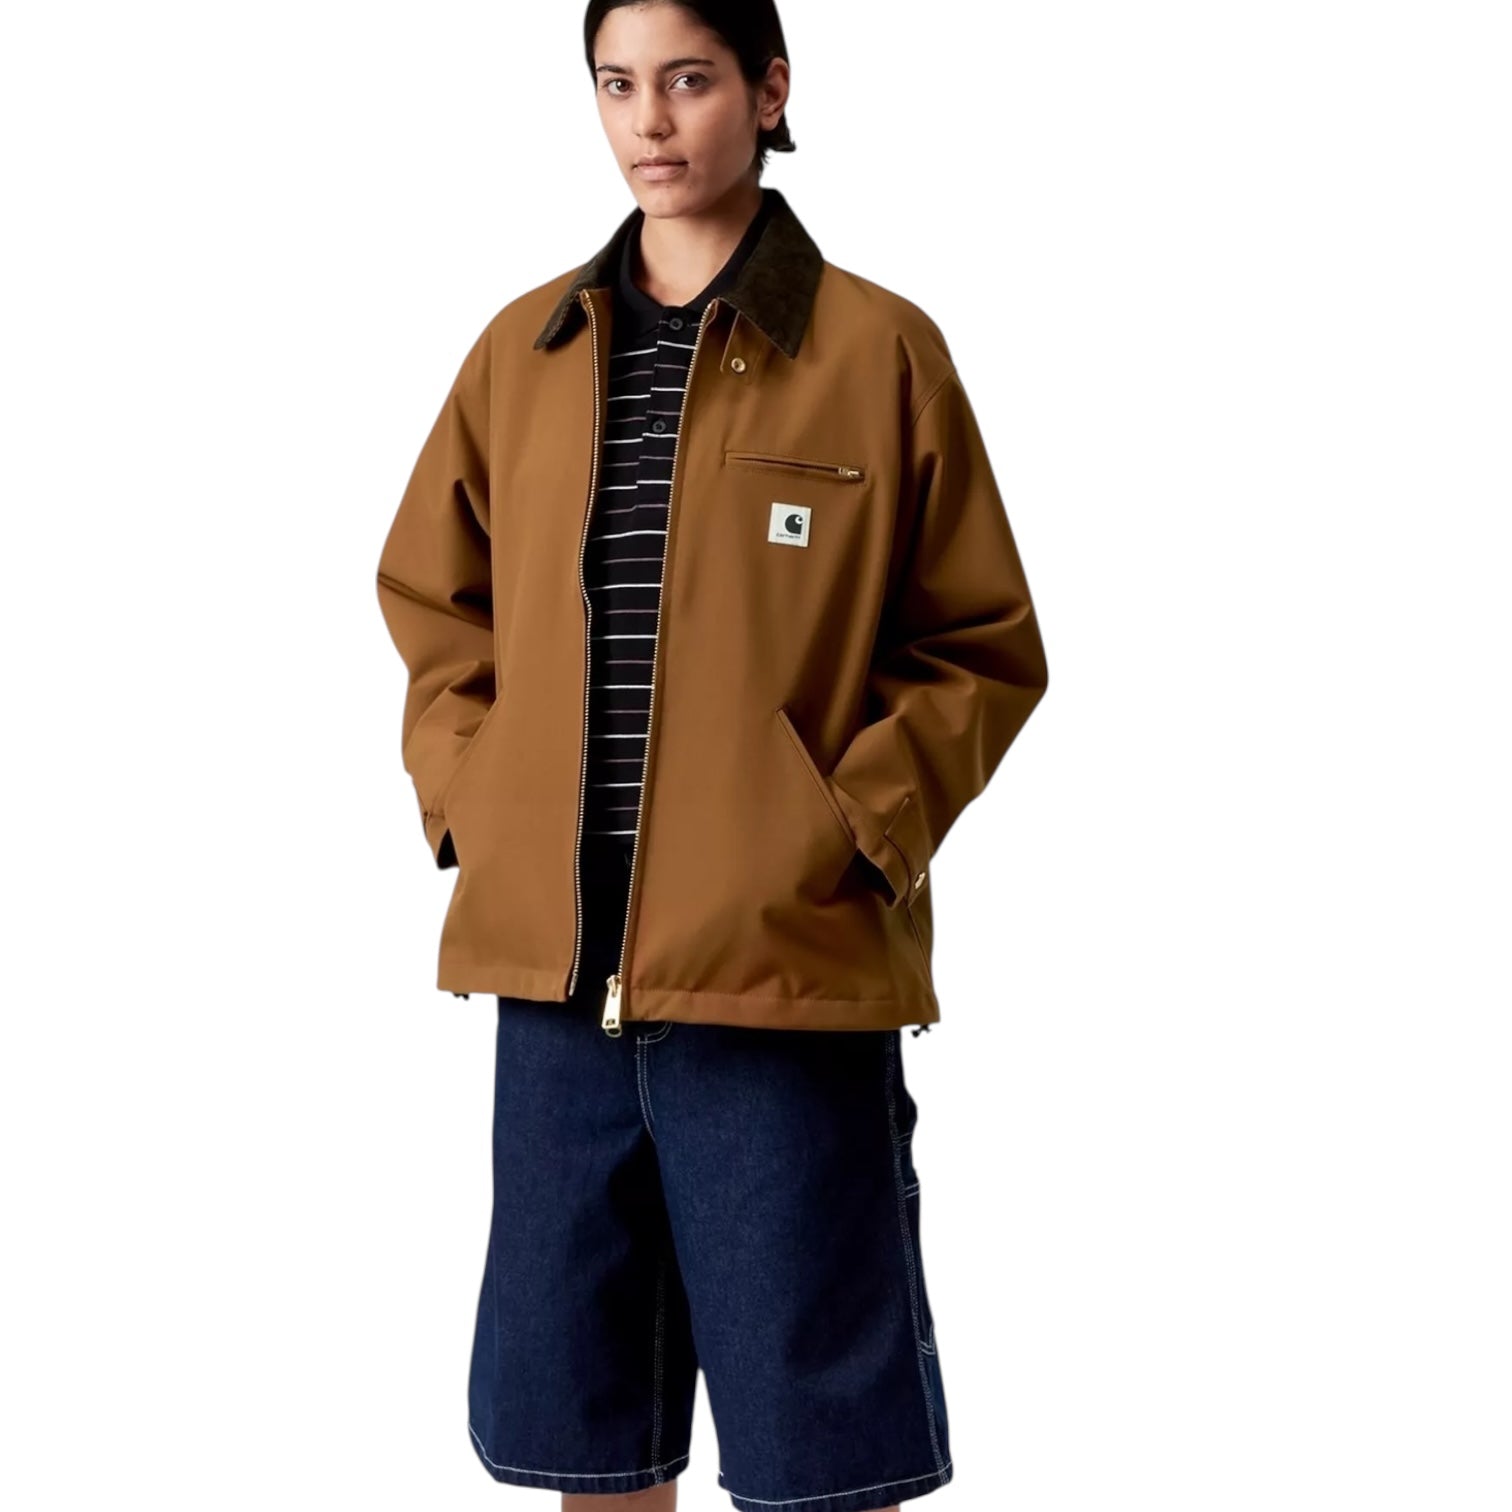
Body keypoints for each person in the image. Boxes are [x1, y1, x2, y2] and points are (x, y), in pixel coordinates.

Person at [375, 2, 1048, 1508]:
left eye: (687, 80)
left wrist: (848, 832)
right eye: (616, 85)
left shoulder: (877, 350)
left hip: (779, 978)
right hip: (557, 980)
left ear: (769, 88)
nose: (650, 122)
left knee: (818, 1461)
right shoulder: (524, 352)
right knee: (587, 1435)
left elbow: (981, 643)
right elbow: (432, 598)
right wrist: (475, 797)